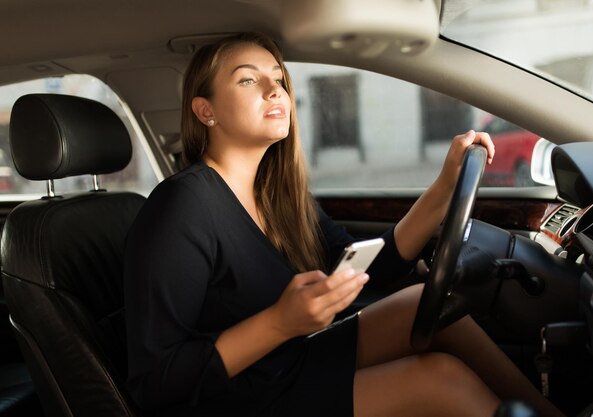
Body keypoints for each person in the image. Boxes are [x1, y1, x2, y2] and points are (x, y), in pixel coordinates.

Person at [124, 32, 564, 417]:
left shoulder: (275, 195)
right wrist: (279, 322)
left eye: (277, 79)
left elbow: (377, 263)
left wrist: (446, 185)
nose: (274, 91)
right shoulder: (182, 206)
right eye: (247, 79)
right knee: (439, 379)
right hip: (238, 399)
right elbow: (155, 381)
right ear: (206, 111)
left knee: (423, 303)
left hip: (288, 360)